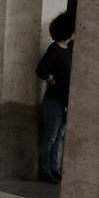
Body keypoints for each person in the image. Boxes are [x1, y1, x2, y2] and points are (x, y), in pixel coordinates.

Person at [35, 12, 74, 184]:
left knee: (58, 137)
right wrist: (50, 78)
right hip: (53, 101)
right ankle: (45, 171)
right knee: (49, 138)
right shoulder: (55, 49)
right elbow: (41, 69)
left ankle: (54, 168)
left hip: (64, 101)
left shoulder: (68, 50)